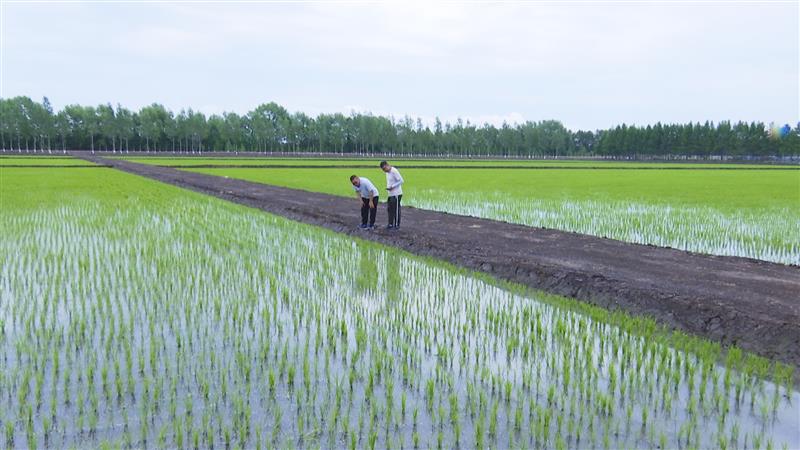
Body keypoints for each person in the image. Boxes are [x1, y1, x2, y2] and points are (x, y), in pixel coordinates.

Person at [380, 161, 404, 229]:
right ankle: (390, 224)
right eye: (383, 170)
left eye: (385, 168)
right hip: (391, 194)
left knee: (395, 210)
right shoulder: (387, 173)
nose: (384, 171)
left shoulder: (394, 171)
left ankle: (397, 225)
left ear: (388, 165)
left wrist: (392, 186)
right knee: (390, 209)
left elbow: (401, 181)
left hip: (396, 194)